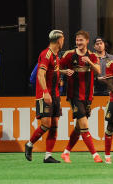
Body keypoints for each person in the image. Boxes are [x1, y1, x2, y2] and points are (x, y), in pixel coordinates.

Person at [59, 31, 103, 163]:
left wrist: (89, 61)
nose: (78, 43)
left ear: (87, 41)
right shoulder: (69, 55)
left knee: (78, 127)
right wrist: (64, 71)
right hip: (74, 95)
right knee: (84, 124)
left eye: (81, 40)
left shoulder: (92, 56)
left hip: (88, 96)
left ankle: (66, 153)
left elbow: (98, 71)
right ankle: (95, 155)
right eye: (77, 40)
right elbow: (56, 67)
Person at [24, 29, 64, 163]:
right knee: (46, 124)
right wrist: (46, 92)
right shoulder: (46, 54)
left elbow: (53, 73)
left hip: (55, 95)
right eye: (63, 39)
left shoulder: (56, 56)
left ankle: (48, 156)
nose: (63, 41)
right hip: (45, 94)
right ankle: (29, 144)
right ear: (58, 40)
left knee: (55, 125)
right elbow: (40, 75)